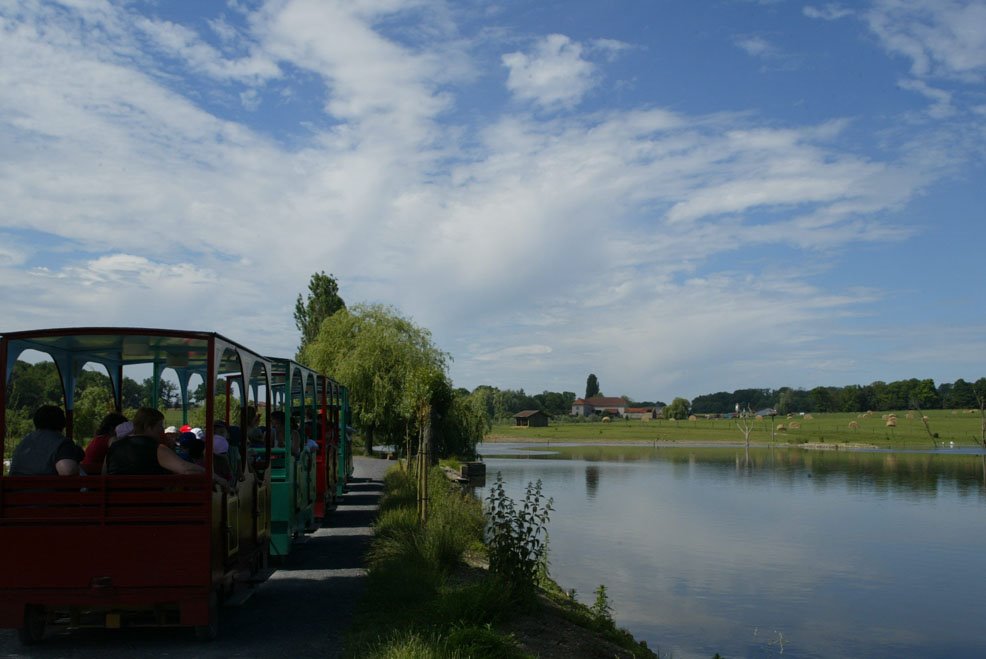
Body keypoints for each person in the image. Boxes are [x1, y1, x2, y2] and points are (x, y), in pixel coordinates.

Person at [105, 407, 204, 476]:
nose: (162, 429)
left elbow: (104, 473)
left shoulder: (114, 448)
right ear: (148, 427)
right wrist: (208, 472)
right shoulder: (158, 449)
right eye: (160, 425)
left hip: (117, 504)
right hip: (150, 504)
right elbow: (185, 469)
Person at [10, 405, 83, 476]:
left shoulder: (24, 442)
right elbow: (68, 471)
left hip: (15, 487)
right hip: (44, 488)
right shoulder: (61, 443)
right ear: (63, 424)